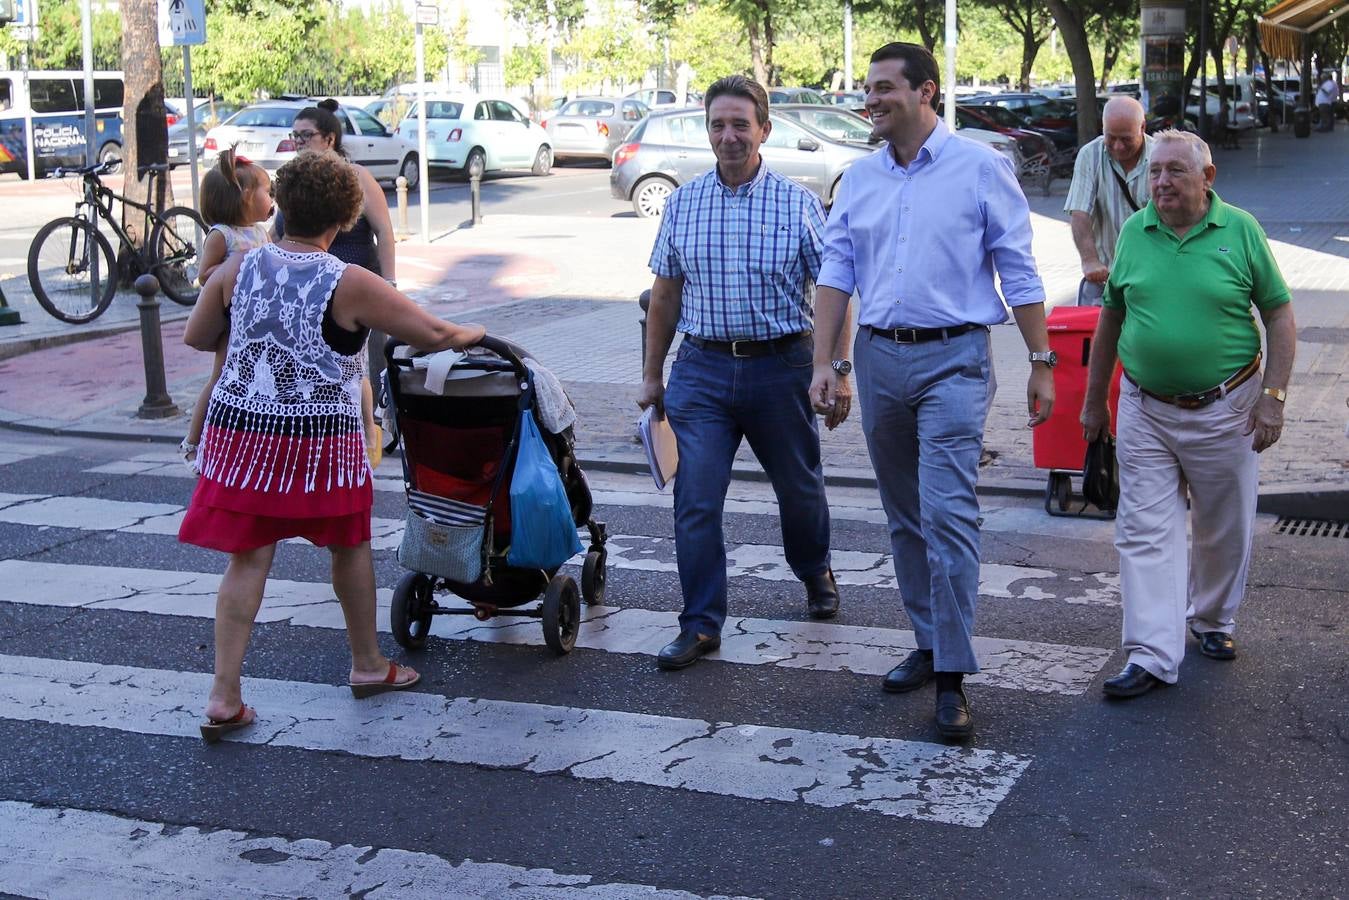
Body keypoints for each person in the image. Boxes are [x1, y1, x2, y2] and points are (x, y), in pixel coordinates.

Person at [179, 150, 485, 742]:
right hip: (319, 440)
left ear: (282, 208)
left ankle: (223, 695)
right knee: (348, 547)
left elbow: (197, 337)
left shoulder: (239, 267)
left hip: (243, 436)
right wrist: (474, 334)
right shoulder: (348, 282)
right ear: (345, 218)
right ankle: (368, 663)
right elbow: (434, 333)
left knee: (248, 559)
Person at [808, 42, 1054, 741]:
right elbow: (836, 272)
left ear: (926, 92)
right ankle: (927, 638)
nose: (871, 98)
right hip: (880, 360)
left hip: (955, 360)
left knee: (947, 513)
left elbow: (1019, 267)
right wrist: (825, 362)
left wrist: (1042, 361)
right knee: (903, 517)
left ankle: (951, 675)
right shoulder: (858, 178)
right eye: (867, 88)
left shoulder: (980, 167)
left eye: (884, 86)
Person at [636, 74, 852, 671]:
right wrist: (652, 376)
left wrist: (835, 368)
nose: (728, 136)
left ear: (764, 130)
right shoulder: (682, 203)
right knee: (696, 498)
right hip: (702, 371)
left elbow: (835, 290)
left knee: (799, 488)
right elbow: (665, 297)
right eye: (717, 125)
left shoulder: (798, 202)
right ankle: (701, 623)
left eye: (740, 125)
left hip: (781, 367)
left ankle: (815, 570)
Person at [1081, 130, 1296, 699]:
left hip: (1227, 407)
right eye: (1154, 172)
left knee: (1223, 528)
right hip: (1144, 407)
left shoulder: (1241, 230)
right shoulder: (1135, 230)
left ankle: (1213, 619)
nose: (1161, 182)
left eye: (1175, 171)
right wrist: (1094, 400)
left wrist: (1273, 397)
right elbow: (1111, 317)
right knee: (1144, 529)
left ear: (1208, 178)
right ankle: (1153, 651)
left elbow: (1278, 314)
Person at [273, 99, 397, 460]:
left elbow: (384, 234)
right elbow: (276, 234)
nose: (298, 142)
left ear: (329, 138)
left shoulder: (357, 178)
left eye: (305, 136)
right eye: (294, 136)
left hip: (355, 289)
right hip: (306, 295)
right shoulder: (295, 182)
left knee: (366, 367)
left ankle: (376, 430)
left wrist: (388, 286)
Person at [180, 148, 273, 472]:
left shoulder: (262, 232)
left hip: (259, 317)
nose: (271, 196)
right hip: (233, 318)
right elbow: (205, 276)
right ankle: (193, 441)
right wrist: (234, 269)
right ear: (246, 195)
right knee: (220, 377)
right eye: (266, 190)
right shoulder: (223, 235)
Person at [1065, 96, 1152, 305]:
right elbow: (1079, 213)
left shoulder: (1161, 157)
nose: (1118, 146)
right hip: (1107, 278)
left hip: (1154, 277)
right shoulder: (1090, 155)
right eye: (1111, 137)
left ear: (1142, 127)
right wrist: (1089, 261)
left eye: (1126, 139)